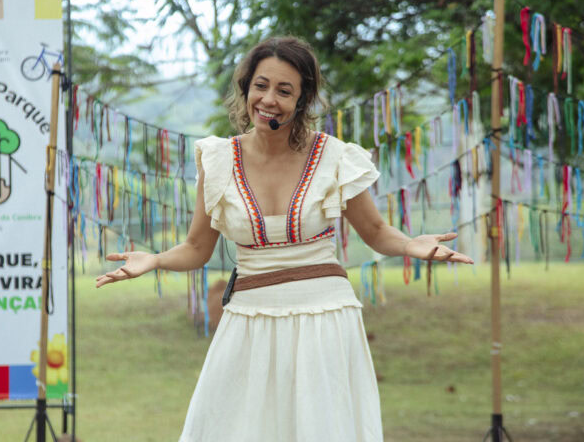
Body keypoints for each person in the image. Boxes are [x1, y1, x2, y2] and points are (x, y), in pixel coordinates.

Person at [95, 36, 473, 442]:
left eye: (284, 90)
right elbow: (196, 248)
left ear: (303, 99)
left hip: (324, 318)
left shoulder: (335, 157)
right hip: (248, 319)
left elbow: (377, 232)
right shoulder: (219, 159)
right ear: (246, 88)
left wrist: (410, 244)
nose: (268, 99)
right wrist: (153, 260)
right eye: (261, 85)